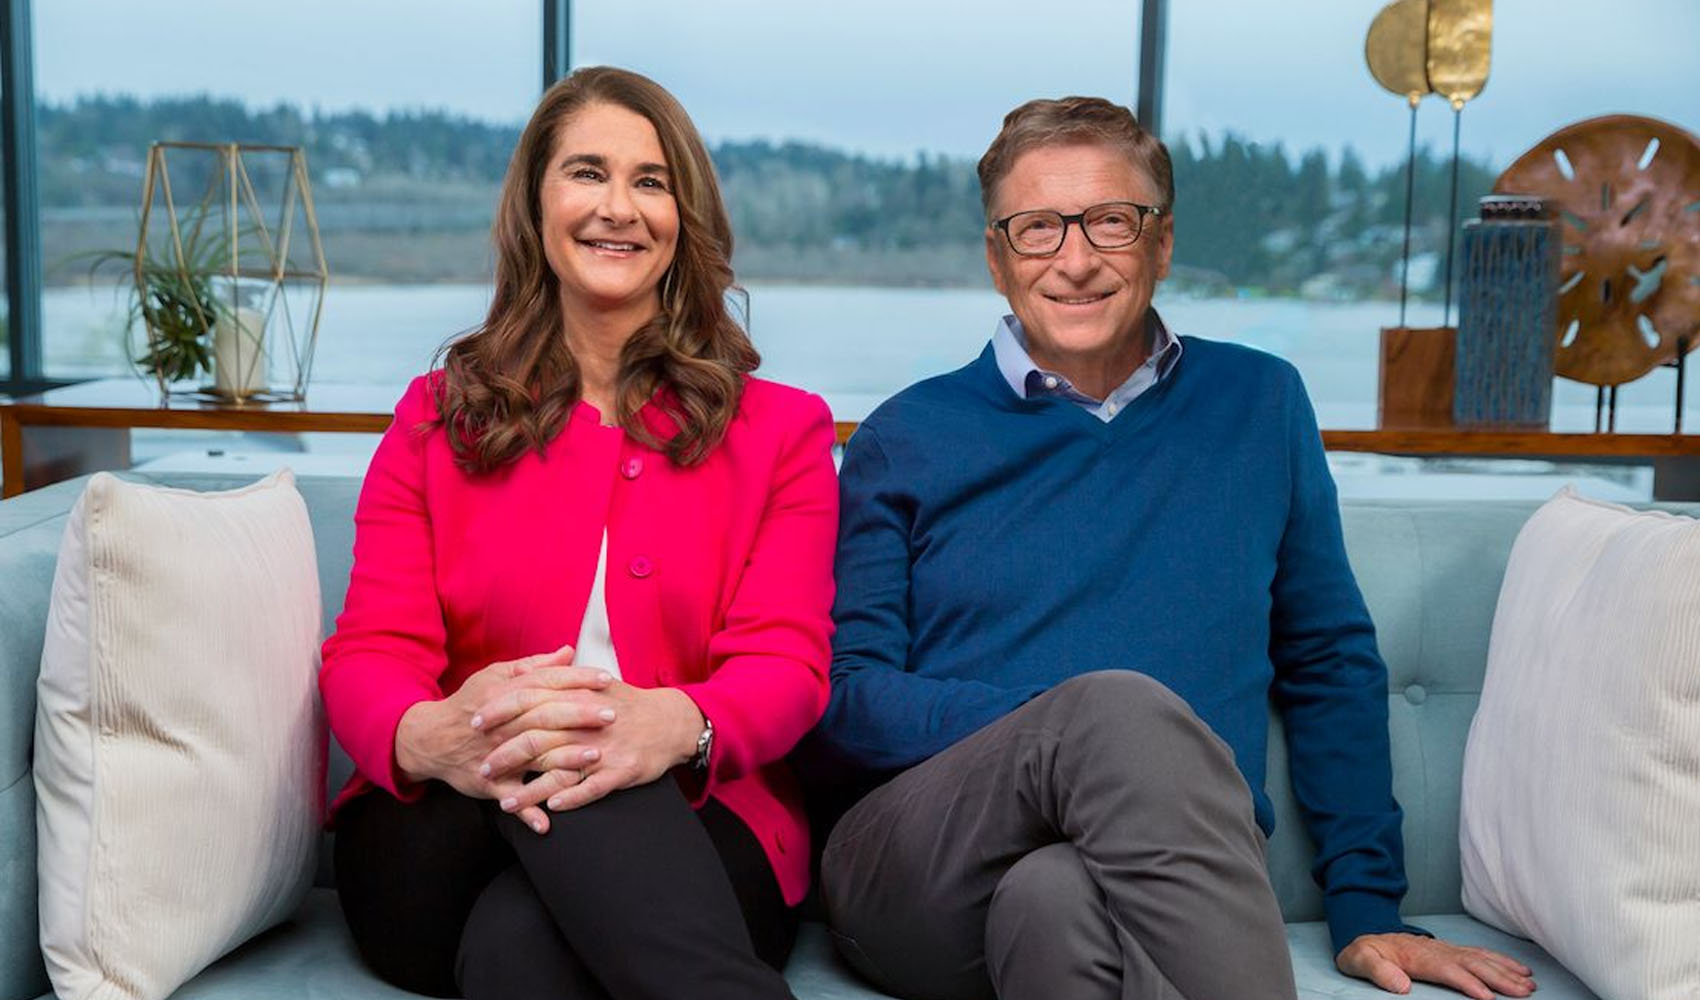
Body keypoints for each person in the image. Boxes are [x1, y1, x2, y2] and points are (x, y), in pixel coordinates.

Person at [803, 96, 1536, 1000]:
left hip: (1161, 864)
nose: (1075, 260)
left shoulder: (1260, 404)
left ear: (1162, 242)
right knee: (1114, 713)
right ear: (997, 259)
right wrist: (1067, 729)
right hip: (920, 862)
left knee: (1058, 900)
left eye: (1111, 221)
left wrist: (1366, 904)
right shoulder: (906, 435)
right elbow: (847, 696)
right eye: (1037, 229)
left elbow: (1328, 661)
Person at [319, 66, 837, 1000]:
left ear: (684, 217)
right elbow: (371, 651)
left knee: (524, 951)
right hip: (448, 826)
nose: (618, 208)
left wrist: (671, 725)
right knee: (559, 747)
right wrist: (431, 734)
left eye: (651, 181)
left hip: (693, 821)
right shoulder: (434, 418)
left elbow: (786, 666)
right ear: (536, 203)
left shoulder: (783, 431)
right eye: (587, 172)